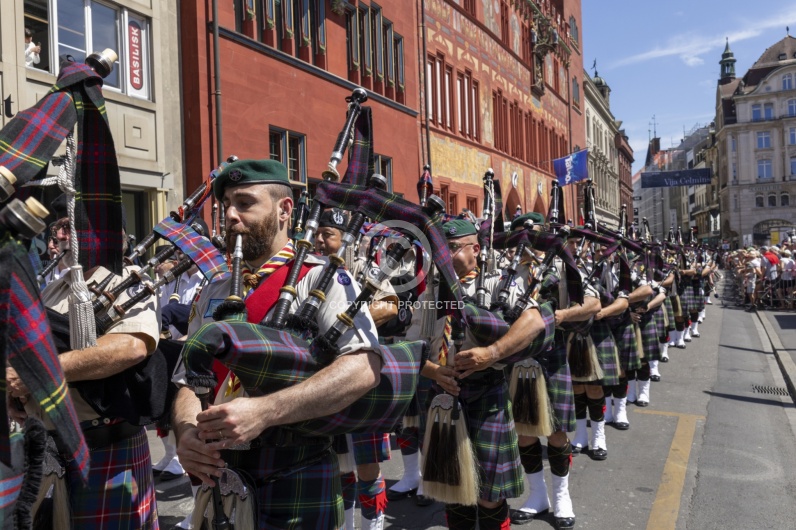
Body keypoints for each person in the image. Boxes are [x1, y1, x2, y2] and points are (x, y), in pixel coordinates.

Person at [172, 158, 382, 529]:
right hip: (217, 478)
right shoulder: (213, 290)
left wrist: (266, 411)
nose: (231, 216)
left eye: (245, 203)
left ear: (285, 209)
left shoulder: (322, 279)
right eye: (226, 207)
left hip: (295, 472)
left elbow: (363, 367)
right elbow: (191, 377)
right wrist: (186, 433)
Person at [8, 198, 161, 528]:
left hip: (105, 450)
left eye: (65, 227)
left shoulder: (129, 279)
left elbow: (129, 347)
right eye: (54, 230)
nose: (55, 239)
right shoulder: (53, 288)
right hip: (48, 447)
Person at [408, 217, 548, 530]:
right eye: (441, 249)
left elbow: (535, 322)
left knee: (489, 495)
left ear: (476, 249)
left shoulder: (501, 283)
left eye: (453, 248)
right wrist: (434, 371)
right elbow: (410, 349)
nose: (444, 256)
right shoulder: (431, 293)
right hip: (442, 398)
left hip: (488, 395)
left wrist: (492, 353)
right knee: (453, 489)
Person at [314, 207, 397, 530]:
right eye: (318, 234)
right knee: (336, 461)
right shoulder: (309, 268)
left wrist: (350, 321)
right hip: (324, 372)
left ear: (344, 237)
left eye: (328, 235)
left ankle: (373, 524)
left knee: (366, 461)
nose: (320, 241)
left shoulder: (364, 267)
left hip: (362, 372)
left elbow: (390, 305)